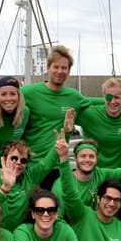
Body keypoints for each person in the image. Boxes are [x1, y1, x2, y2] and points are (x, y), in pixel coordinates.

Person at [20, 45, 96, 188]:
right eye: (56, 67)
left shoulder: (73, 96)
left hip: (59, 165)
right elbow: (3, 99)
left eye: (64, 68)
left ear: (68, 71)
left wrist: (119, 99)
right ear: (48, 68)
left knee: (58, 208)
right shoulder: (28, 92)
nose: (60, 71)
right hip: (33, 165)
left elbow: (93, 102)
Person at [50, 132, 121, 212]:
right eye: (83, 156)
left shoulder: (101, 174)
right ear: (75, 158)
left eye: (91, 156)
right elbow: (58, 216)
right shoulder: (60, 185)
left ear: (97, 159)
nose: (87, 160)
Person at [74, 78, 121, 168]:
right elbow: (71, 103)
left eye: (117, 97)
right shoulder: (89, 114)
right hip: (93, 175)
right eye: (109, 97)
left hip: (120, 175)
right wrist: (102, 101)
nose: (112, 101)